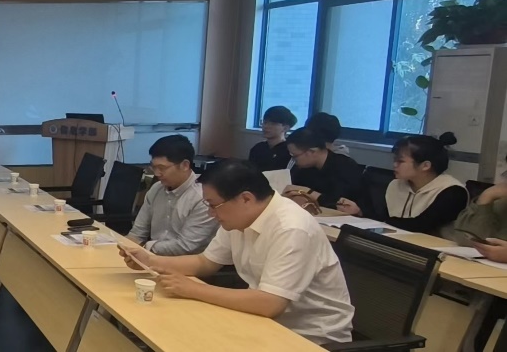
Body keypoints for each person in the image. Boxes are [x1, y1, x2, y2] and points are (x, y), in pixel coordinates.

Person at [119, 160, 353, 344]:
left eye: (213, 205)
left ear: (246, 199)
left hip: (311, 338)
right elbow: (205, 262)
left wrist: (194, 289)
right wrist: (151, 261)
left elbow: (270, 303)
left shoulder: (291, 228)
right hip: (264, 323)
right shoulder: (239, 217)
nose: (211, 213)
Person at [336, 133, 467, 237]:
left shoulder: (453, 192)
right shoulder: (396, 185)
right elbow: (388, 219)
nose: (394, 165)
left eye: (400, 161)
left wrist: (376, 218)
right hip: (400, 243)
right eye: (394, 160)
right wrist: (359, 212)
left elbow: (421, 225)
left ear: (425, 165)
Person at [126, 135, 218, 255]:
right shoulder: (156, 189)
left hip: (187, 262)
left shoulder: (203, 197)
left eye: (162, 168)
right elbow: (138, 233)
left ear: (185, 165)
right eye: (154, 167)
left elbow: (186, 246)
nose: (157, 173)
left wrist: (144, 248)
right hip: (151, 257)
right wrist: (126, 245)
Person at [285, 127, 364, 209]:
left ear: (312, 152)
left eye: (294, 156)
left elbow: (340, 203)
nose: (293, 160)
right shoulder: (305, 168)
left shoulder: (345, 166)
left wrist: (308, 192)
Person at [249, 106, 296, 171]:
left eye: (273, 124)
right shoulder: (258, 148)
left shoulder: (289, 151)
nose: (266, 126)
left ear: (285, 128)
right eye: (265, 122)